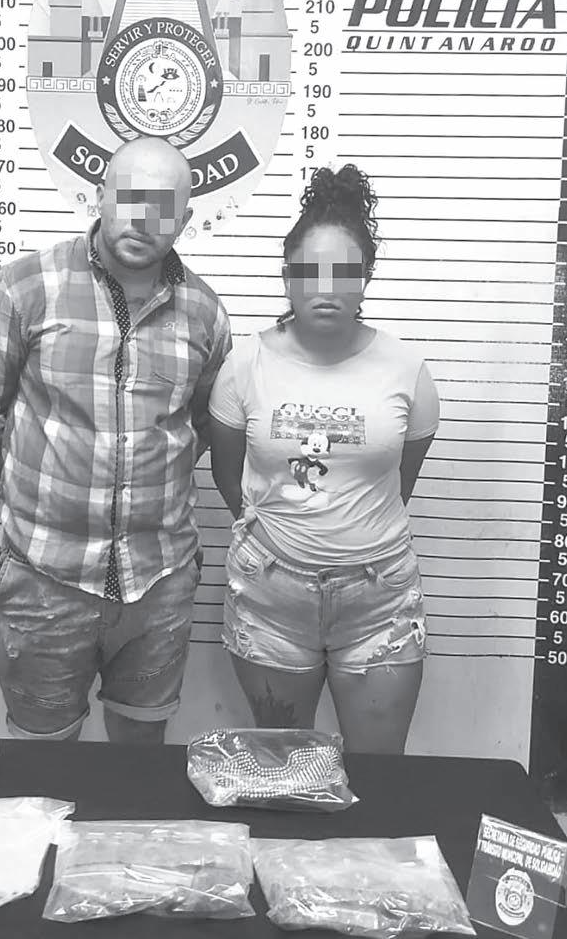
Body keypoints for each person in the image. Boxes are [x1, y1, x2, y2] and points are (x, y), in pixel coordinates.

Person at [0, 136, 232, 744]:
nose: (143, 219)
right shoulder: (23, 289)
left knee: (137, 761)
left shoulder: (205, 314)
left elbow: (200, 427)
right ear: (100, 196)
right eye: (130, 197)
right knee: (44, 762)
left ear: (186, 218)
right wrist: (46, 490)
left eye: (163, 206)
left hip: (158, 582)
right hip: (45, 578)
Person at [208, 164, 439, 754]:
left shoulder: (407, 371)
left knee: (381, 771)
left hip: (379, 599)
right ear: (287, 279)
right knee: (285, 764)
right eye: (308, 272)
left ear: (366, 279)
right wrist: (281, 534)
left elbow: (399, 482)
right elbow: (227, 474)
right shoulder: (244, 366)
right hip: (271, 596)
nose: (326, 287)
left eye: (345, 272)